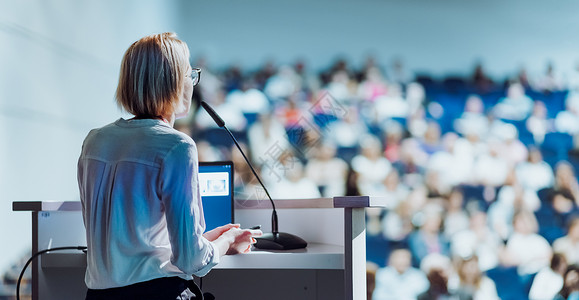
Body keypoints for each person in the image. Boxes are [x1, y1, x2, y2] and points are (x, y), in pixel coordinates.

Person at [77, 33, 262, 299]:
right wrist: (227, 241)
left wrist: (207, 239)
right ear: (173, 83)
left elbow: (137, 246)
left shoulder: (94, 142)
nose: (193, 83)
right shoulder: (177, 147)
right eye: (190, 75)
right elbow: (192, 261)